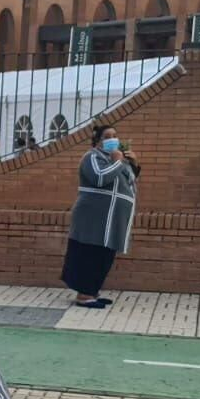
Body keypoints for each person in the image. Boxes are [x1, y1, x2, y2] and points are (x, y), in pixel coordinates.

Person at [63, 124, 139, 307]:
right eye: (107, 136)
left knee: (105, 256)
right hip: (94, 219)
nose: (113, 139)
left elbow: (129, 180)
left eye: (115, 135)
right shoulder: (92, 157)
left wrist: (133, 164)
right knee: (91, 254)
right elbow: (99, 178)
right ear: (98, 141)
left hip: (112, 220)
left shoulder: (116, 158)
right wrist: (118, 162)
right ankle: (84, 295)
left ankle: (93, 291)